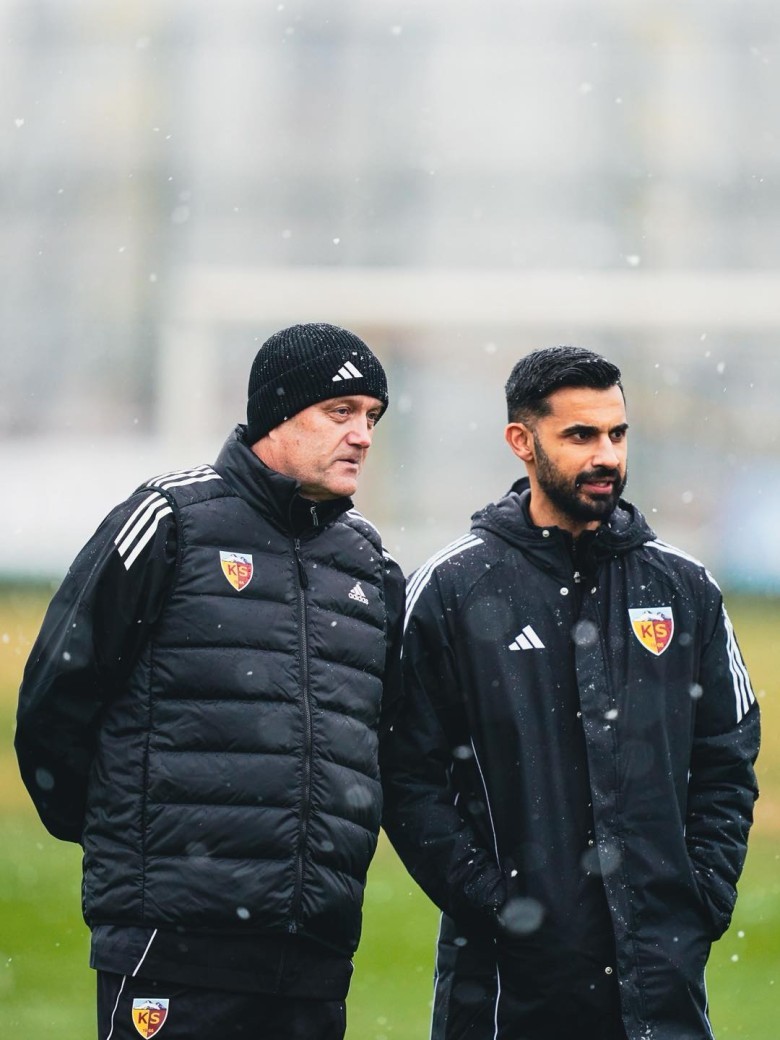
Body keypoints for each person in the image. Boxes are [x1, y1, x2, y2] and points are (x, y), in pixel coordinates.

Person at [16, 322, 404, 1040]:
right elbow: (56, 696)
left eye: (372, 417)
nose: (362, 436)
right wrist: (122, 841)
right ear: (277, 414)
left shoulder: (371, 566)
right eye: (340, 412)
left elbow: (386, 744)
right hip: (171, 941)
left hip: (312, 957)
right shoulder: (170, 519)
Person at [382, 346, 760, 1040]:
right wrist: (493, 904)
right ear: (522, 441)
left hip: (661, 984)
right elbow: (404, 772)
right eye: (581, 435)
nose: (606, 456)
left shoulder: (684, 588)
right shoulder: (452, 590)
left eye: (617, 433)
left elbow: (727, 755)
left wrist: (701, 896)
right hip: (509, 989)